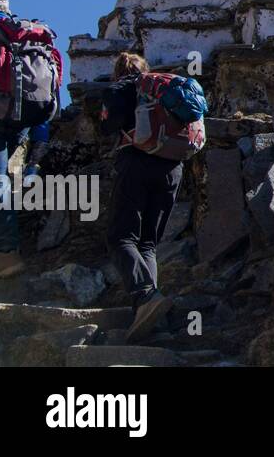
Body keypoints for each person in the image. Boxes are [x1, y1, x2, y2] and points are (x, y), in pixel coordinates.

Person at [102, 52, 180, 341]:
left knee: (121, 237)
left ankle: (146, 297)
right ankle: (150, 315)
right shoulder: (167, 88)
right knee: (148, 242)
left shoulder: (121, 87)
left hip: (136, 163)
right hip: (173, 167)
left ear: (118, 71)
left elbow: (109, 125)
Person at [0, 0, 56, 279]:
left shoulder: (3, 36)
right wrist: (35, 158)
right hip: (23, 119)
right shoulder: (25, 35)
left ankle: (7, 253)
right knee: (3, 178)